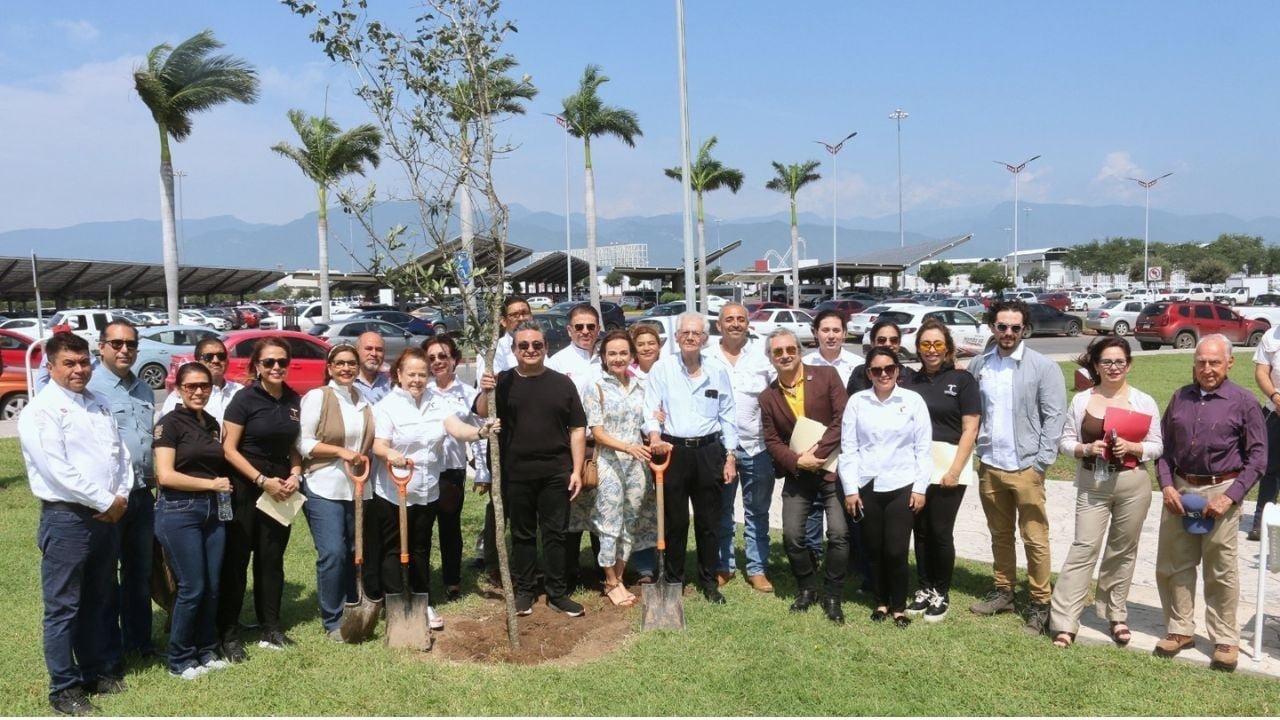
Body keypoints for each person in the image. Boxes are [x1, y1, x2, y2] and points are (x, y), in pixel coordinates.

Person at [20, 332, 131, 716]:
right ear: (50, 366)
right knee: (63, 607)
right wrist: (106, 500)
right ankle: (63, 689)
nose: (79, 370)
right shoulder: (41, 410)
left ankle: (95, 672)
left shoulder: (98, 403)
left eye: (84, 362)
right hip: (67, 519)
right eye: (69, 363)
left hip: (106, 518)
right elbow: (57, 469)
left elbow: (121, 456)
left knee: (99, 602)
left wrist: (122, 496)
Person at [1152, 334, 1265, 673]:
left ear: (1230, 363)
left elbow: (1258, 457)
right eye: (1201, 362)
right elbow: (1164, 449)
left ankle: (1225, 638)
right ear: (1194, 364)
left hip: (1222, 489)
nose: (1207, 368)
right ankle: (1180, 629)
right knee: (1174, 565)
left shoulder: (1244, 402)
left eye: (1215, 362)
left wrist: (1230, 496)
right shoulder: (1179, 398)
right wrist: (1167, 486)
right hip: (1181, 489)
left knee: (1221, 569)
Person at [1047, 337, 1163, 649]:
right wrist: (1086, 447)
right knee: (1084, 548)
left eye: (1119, 362)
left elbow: (1157, 445)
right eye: (1107, 362)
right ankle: (1064, 621)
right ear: (1096, 365)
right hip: (1093, 483)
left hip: (1132, 482)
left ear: (1129, 364)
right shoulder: (1082, 400)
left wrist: (1135, 447)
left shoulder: (1143, 401)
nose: (1113, 367)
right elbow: (1065, 441)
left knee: (1122, 551)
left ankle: (1116, 615)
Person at [371, 348, 497, 628]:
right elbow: (378, 444)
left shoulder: (436, 402)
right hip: (394, 491)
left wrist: (480, 432)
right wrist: (390, 455)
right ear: (399, 375)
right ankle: (395, 603)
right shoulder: (387, 406)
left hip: (427, 489)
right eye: (411, 374)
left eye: (422, 374)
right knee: (394, 549)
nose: (417, 379)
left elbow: (457, 429)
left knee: (420, 547)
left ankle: (421, 600)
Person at [966, 299, 1066, 635]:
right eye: (1002, 326)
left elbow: (1054, 418)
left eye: (1015, 327)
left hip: (1027, 467)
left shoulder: (1043, 367)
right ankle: (1004, 591)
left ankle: (1040, 603)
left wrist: (1041, 463)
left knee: (1035, 538)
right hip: (991, 463)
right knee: (1000, 534)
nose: (1008, 333)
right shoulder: (979, 365)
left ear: (1025, 329)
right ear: (992, 327)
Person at [476, 321, 588, 617]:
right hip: (515, 472)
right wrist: (484, 389)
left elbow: (577, 428)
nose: (530, 350)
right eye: (523, 345)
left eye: (536, 345)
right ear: (513, 350)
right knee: (522, 534)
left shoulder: (562, 384)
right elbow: (481, 412)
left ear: (546, 348)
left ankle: (557, 593)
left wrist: (576, 470)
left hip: (556, 471)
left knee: (555, 534)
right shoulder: (503, 381)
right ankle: (525, 591)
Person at [217, 337, 303, 661]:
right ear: (257, 366)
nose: (276, 367)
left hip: (280, 488)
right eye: (269, 362)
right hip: (246, 487)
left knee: (271, 559)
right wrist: (260, 480)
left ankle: (271, 626)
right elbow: (228, 449)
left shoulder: (294, 400)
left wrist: (295, 475)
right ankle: (228, 634)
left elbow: (295, 446)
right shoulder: (244, 400)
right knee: (237, 562)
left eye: (282, 361)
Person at [643, 312, 737, 604]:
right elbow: (650, 408)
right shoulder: (663, 368)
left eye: (696, 334)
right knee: (675, 520)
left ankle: (709, 581)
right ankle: (673, 579)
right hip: (673, 452)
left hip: (710, 451)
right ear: (676, 337)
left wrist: (730, 455)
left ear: (705, 339)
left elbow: (728, 414)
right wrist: (655, 434)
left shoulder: (717, 371)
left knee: (709, 520)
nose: (690, 338)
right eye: (685, 333)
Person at [759, 328, 849, 623]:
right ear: (771, 358)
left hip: (832, 470)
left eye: (790, 350)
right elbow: (772, 441)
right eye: (778, 352)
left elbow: (842, 419)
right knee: (793, 536)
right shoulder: (768, 397)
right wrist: (799, 461)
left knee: (838, 533)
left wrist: (817, 454)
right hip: (798, 475)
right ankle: (808, 587)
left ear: (798, 351)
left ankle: (833, 593)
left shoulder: (826, 377)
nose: (785, 355)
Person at [839, 347, 932, 628]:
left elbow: (923, 449)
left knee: (896, 550)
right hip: (867, 485)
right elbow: (849, 449)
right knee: (874, 549)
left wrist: (920, 488)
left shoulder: (913, 401)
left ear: (897, 371)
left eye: (888, 369)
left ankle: (899, 607)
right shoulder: (857, 402)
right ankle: (881, 602)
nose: (883, 375)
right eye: (877, 370)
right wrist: (850, 489)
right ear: (868, 373)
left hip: (902, 484)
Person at [153, 362, 233, 679]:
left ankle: (205, 650)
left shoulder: (212, 423)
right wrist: (211, 485)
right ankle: (180, 660)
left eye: (205, 386)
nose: (199, 391)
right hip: (179, 510)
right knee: (192, 587)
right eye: (191, 386)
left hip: (214, 511)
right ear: (179, 388)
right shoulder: (169, 424)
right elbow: (165, 475)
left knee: (212, 586)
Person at [86, 320, 156, 669]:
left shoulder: (143, 389)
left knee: (139, 573)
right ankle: (107, 649)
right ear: (101, 347)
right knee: (104, 578)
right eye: (116, 343)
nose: (124, 349)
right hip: (108, 498)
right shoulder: (90, 388)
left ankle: (139, 641)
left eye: (131, 343)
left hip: (143, 494)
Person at [901, 319, 981, 623]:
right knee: (919, 530)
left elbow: (970, 427)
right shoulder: (911, 380)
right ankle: (923, 588)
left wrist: (955, 469)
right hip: (917, 466)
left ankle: (940, 593)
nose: (932, 351)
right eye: (925, 344)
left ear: (947, 347)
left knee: (939, 531)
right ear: (918, 348)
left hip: (949, 464)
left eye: (937, 344)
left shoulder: (962, 380)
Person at [297, 344, 375, 642]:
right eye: (339, 364)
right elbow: (303, 443)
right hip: (323, 484)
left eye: (351, 364)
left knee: (355, 553)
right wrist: (340, 451)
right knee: (333, 553)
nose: (346, 369)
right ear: (329, 368)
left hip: (356, 487)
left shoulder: (361, 399)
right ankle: (332, 619)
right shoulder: (318, 397)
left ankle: (352, 606)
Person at [581, 330, 657, 606]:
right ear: (603, 357)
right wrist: (627, 447)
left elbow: (647, 421)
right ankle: (610, 580)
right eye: (612, 353)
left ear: (632, 356)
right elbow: (597, 433)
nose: (618, 358)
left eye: (623, 353)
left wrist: (656, 430)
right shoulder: (596, 386)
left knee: (631, 520)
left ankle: (620, 577)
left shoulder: (639, 385)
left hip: (637, 464)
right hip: (610, 463)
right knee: (610, 522)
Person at [710, 303, 777, 592]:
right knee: (722, 509)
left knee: (757, 510)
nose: (735, 324)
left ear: (748, 324)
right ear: (719, 326)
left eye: (740, 319)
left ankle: (757, 567)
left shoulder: (763, 355)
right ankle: (724, 565)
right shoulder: (706, 356)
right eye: (729, 320)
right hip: (719, 448)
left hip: (757, 446)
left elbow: (781, 393)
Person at [424, 335, 488, 602]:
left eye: (443, 356)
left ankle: (452, 580)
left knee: (450, 527)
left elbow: (482, 424)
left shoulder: (467, 393)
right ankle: (421, 581)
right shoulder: (421, 390)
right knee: (422, 528)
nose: (438, 362)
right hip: (423, 471)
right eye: (432, 358)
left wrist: (483, 472)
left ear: (455, 360)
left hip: (451, 471)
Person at [473, 296, 533, 575]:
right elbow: (485, 401)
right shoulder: (492, 352)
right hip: (503, 436)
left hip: (533, 435)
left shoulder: (537, 346)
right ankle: (490, 557)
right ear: (503, 320)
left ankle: (529, 561)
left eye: (525, 312)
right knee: (501, 500)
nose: (521, 317)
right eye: (515, 314)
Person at [547, 304, 604, 591]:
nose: (585, 332)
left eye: (590, 326)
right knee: (569, 510)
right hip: (570, 446)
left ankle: (602, 570)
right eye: (579, 327)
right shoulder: (558, 363)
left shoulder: (605, 359)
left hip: (603, 446)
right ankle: (568, 572)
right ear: (569, 330)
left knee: (600, 510)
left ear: (598, 329)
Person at [627, 322, 663, 582]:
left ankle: (668, 559)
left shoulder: (670, 371)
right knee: (640, 508)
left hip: (666, 447)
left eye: (652, 343)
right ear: (634, 349)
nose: (647, 348)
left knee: (665, 506)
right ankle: (644, 567)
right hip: (637, 449)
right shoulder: (628, 375)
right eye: (641, 344)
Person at [158, 337, 243, 421]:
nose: (216, 360)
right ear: (197, 362)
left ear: (227, 361)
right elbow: (166, 427)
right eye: (209, 357)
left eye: (221, 356)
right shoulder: (183, 395)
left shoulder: (240, 392)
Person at [1249, 323, 1280, 541]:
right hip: (1275, 410)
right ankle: (1261, 522)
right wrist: (1275, 397)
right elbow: (1262, 372)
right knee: (1270, 468)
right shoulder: (1271, 337)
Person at [846, 319, 916, 394]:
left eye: (893, 340)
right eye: (881, 340)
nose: (888, 344)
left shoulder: (910, 376)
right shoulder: (860, 373)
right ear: (872, 343)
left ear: (899, 344)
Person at [803, 309, 861, 387]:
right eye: (825, 330)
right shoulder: (804, 364)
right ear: (816, 333)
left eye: (836, 330)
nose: (831, 336)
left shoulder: (857, 364)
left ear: (844, 333)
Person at [353, 331, 391, 405]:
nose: (374, 354)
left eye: (379, 350)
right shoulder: (348, 383)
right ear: (356, 351)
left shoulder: (390, 383)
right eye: (368, 348)